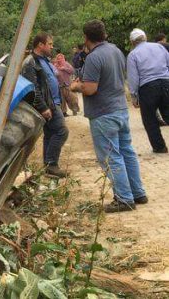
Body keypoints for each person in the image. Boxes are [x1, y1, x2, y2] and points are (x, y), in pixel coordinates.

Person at [70, 20, 147, 213]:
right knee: (127, 152)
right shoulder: (115, 51)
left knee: (111, 157)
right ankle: (138, 193)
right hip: (120, 109)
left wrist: (76, 86)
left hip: (103, 114)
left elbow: (90, 89)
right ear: (104, 34)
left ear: (86, 37)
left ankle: (124, 199)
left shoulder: (94, 58)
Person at [22, 32, 69, 177]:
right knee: (62, 131)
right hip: (48, 105)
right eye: (49, 44)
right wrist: (42, 107)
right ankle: (52, 165)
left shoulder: (45, 60)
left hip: (53, 103)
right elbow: (33, 87)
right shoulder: (31, 62)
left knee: (50, 134)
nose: (52, 47)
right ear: (40, 45)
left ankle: (48, 167)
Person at [126, 28, 169, 153]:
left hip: (148, 88)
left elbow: (133, 78)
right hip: (166, 83)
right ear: (145, 37)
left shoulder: (133, 55)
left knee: (149, 119)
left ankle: (160, 147)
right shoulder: (159, 47)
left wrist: (134, 96)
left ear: (132, 42)